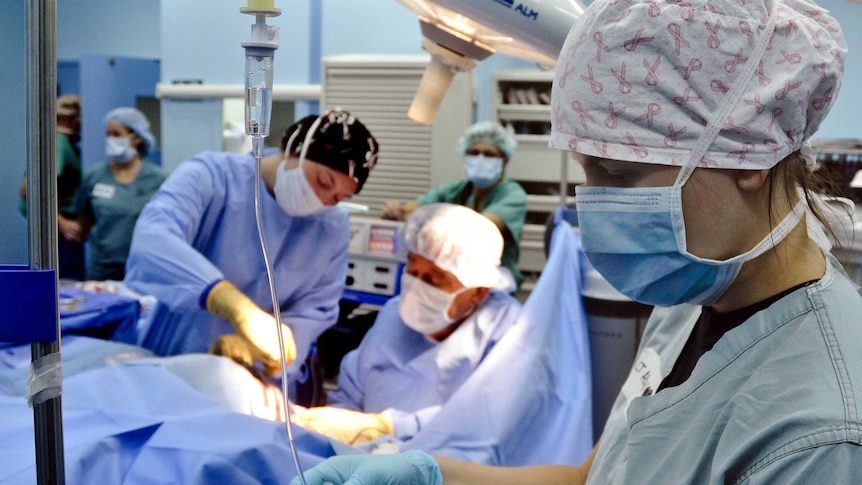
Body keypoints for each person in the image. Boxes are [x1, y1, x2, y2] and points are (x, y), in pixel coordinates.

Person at [292, 0, 862, 483]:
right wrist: (433, 473)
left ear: (748, 159)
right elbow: (600, 474)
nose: (594, 204)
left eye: (617, 176)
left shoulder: (819, 438)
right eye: (587, 171)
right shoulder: (695, 298)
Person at [124, 109, 379, 380]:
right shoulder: (211, 176)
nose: (324, 200)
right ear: (293, 149)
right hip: (174, 361)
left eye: (338, 197)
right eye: (323, 182)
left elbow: (315, 310)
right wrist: (226, 301)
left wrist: (265, 348)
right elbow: (153, 239)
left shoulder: (332, 227)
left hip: (254, 382)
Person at [291, 203, 522, 446]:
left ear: (478, 292)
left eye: (433, 279)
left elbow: (485, 418)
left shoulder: (508, 333)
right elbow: (352, 391)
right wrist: (342, 433)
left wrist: (385, 428)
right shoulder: (393, 316)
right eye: (412, 268)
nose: (416, 287)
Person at [381, 121, 528, 289]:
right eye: (474, 152)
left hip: (495, 279)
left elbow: (482, 227)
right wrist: (398, 213)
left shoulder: (512, 195)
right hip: (453, 275)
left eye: (489, 154)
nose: (480, 159)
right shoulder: (456, 190)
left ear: (504, 160)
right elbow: (415, 210)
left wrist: (430, 224)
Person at [73, 107, 166, 281]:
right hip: (101, 269)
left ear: (137, 138)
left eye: (117, 134)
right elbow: (83, 222)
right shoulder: (95, 176)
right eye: (108, 134)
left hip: (142, 268)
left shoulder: (158, 179)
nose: (110, 139)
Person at [18, 94, 86, 280]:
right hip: (60, 232)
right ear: (73, 119)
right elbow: (28, 189)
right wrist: (62, 223)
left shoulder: (64, 144)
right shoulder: (59, 144)